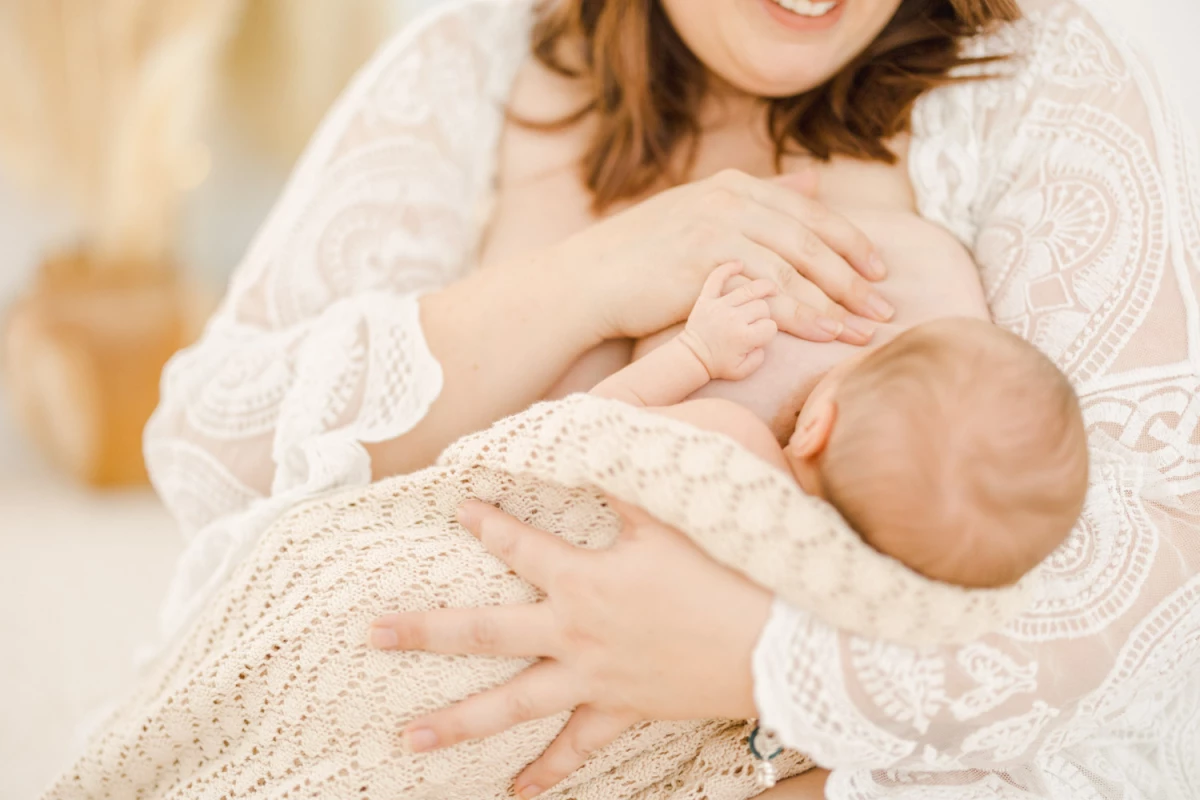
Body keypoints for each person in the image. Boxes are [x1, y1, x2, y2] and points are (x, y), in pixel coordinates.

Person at [142, 0, 1200, 797]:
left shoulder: (1031, 78)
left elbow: (1155, 562)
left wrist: (754, 656)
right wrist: (588, 279)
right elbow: (205, 446)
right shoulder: (475, 64)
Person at [589, 260, 1088, 590]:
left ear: (815, 426)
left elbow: (588, 426)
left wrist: (697, 353)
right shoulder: (816, 592)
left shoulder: (733, 444)